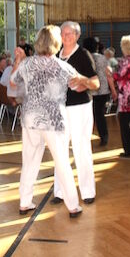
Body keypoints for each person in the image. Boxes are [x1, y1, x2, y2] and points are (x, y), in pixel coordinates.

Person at [11, 25, 85, 218]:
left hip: (30, 119)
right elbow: (78, 86)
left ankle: (24, 202)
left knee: (29, 161)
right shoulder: (62, 66)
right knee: (61, 161)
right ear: (56, 43)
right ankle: (73, 206)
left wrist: (18, 60)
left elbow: (12, 82)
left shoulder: (26, 64)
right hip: (53, 120)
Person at [52, 21, 100, 205]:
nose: (66, 36)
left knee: (81, 148)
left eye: (70, 33)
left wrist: (83, 81)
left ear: (77, 35)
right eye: (63, 33)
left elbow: (95, 84)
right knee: (60, 150)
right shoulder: (56, 55)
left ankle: (87, 191)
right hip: (60, 108)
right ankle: (60, 191)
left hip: (80, 108)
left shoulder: (83, 55)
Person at [82, 37, 116, 146]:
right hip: (103, 90)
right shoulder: (102, 58)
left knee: (88, 116)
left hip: (89, 91)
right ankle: (104, 137)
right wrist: (113, 91)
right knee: (100, 115)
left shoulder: (84, 57)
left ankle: (86, 138)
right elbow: (109, 75)